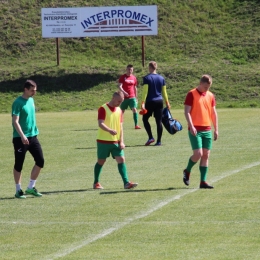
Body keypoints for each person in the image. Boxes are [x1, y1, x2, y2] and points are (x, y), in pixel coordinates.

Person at [93, 91, 138, 190]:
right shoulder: (103, 108)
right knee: (101, 161)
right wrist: (109, 130)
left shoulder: (119, 110)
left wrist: (121, 141)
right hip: (103, 141)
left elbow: (120, 126)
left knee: (121, 159)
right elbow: (100, 123)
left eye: (121, 101)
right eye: (118, 101)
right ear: (113, 98)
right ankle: (96, 182)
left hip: (115, 141)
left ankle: (126, 183)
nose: (120, 103)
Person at [183, 74, 218, 189]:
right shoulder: (191, 94)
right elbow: (187, 111)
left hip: (207, 128)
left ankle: (203, 181)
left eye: (208, 87)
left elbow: (213, 113)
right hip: (195, 129)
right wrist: (191, 125)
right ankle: (187, 171)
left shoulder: (210, 95)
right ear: (200, 83)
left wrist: (216, 129)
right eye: (205, 87)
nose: (207, 89)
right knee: (198, 154)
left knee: (206, 155)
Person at [12, 80, 44, 199]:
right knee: (19, 164)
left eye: (35, 90)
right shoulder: (17, 102)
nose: (34, 92)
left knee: (40, 161)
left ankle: (31, 187)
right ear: (25, 89)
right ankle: (18, 190)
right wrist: (22, 136)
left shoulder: (31, 100)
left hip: (33, 137)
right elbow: (15, 121)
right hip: (20, 138)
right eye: (32, 90)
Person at [140, 61, 171, 146]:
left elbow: (145, 92)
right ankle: (159, 141)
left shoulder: (146, 78)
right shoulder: (161, 78)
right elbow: (164, 92)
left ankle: (151, 137)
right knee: (159, 121)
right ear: (156, 68)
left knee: (145, 119)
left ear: (150, 68)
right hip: (159, 101)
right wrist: (167, 102)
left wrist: (143, 102)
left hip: (150, 101)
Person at [118, 64, 141, 129]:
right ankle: (118, 124)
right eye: (128, 69)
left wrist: (136, 97)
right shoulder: (123, 77)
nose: (129, 70)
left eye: (131, 69)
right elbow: (120, 86)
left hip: (132, 97)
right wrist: (124, 92)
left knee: (134, 109)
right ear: (126, 69)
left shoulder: (134, 78)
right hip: (124, 98)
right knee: (122, 111)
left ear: (132, 70)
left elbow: (135, 88)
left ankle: (136, 125)